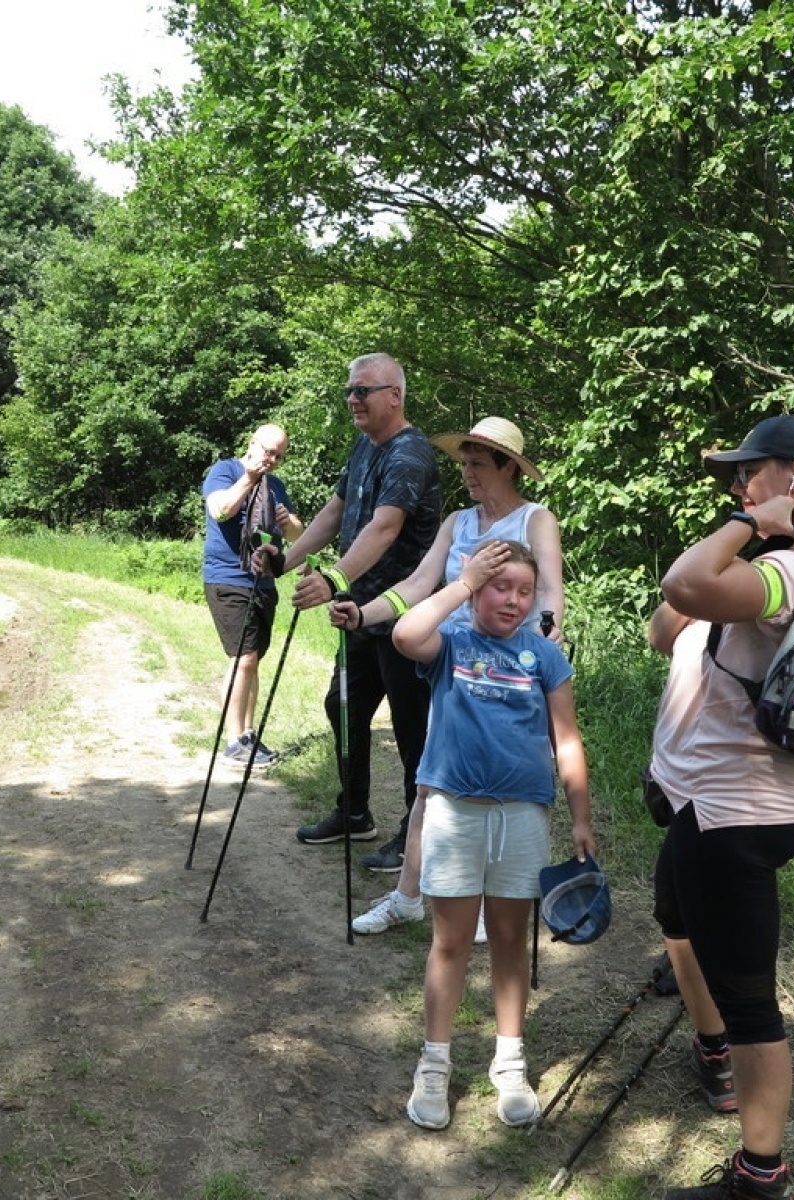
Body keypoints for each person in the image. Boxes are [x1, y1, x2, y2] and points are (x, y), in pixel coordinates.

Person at [647, 414, 794, 1200]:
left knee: (751, 993)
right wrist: (742, 535)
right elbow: (666, 628)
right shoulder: (764, 564)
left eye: (747, 474)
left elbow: (679, 588)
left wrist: (741, 529)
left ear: (792, 475)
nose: (735, 486)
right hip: (707, 802)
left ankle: (761, 1171)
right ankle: (712, 1046)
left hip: (739, 813)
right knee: (674, 915)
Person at [332, 416, 564, 936]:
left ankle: (486, 900)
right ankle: (408, 897)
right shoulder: (457, 522)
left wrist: (551, 637)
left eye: (477, 464)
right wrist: (365, 613)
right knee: (432, 785)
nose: (467, 474)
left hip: (510, 676)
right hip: (453, 668)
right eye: (463, 464)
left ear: (508, 466)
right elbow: (418, 582)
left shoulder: (535, 520)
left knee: (500, 787)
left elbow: (549, 592)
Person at [392, 539, 595, 1130]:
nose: (512, 600)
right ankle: (434, 1064)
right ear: (478, 589)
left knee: (510, 940)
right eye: (499, 587)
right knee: (451, 942)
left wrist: (581, 816)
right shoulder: (452, 642)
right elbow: (406, 635)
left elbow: (568, 740)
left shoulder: (545, 657)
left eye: (523, 591)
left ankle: (510, 1061)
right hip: (455, 812)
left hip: (524, 816)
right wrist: (461, 580)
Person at [260, 354, 441, 846]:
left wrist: (334, 579)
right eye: (349, 391)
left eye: (362, 391)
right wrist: (286, 560)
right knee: (342, 706)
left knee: (412, 729)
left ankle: (416, 834)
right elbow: (335, 511)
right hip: (360, 613)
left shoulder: (411, 452)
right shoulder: (365, 446)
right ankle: (355, 812)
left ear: (394, 396)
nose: (352, 400)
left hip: (407, 614)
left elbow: (386, 526)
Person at [201, 424, 301, 768]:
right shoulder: (224, 471)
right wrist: (248, 479)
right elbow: (221, 510)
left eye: (278, 456)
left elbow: (299, 532)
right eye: (267, 451)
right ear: (252, 444)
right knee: (242, 658)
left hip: (264, 581)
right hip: (227, 578)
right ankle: (233, 742)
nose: (271, 460)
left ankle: (247, 733)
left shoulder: (276, 486)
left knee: (253, 659)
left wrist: (288, 523)